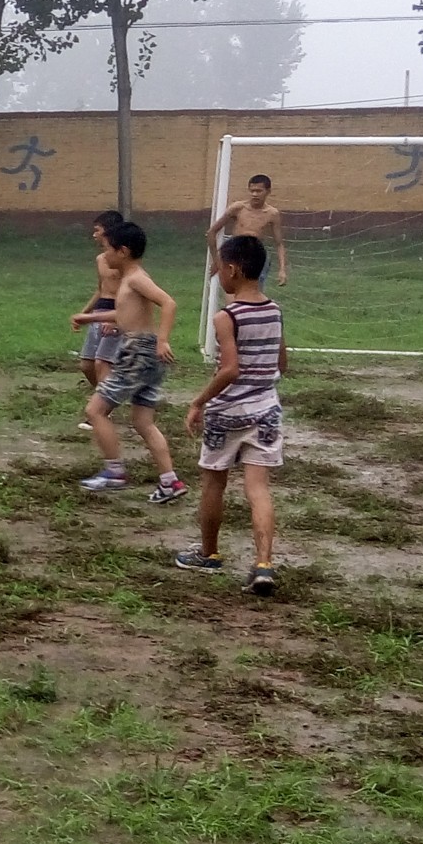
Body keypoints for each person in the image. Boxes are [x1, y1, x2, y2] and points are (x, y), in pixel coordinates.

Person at [178, 234, 287, 595]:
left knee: (214, 483)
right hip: (266, 411)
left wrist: (199, 401)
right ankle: (264, 565)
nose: (219, 273)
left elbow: (229, 370)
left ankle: (209, 554)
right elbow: (282, 363)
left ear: (233, 269)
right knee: (258, 489)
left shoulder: (227, 317)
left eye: (221, 267)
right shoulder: (274, 310)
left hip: (227, 413)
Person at [70, 221, 187, 503]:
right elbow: (124, 315)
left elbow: (168, 303)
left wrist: (162, 340)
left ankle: (114, 472)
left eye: (107, 249)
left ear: (122, 251)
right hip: (146, 354)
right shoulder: (130, 279)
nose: (104, 255)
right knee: (143, 422)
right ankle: (170, 482)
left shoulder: (135, 278)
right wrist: (90, 318)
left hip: (138, 351)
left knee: (95, 410)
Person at [75, 210, 127, 427]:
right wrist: (85, 314)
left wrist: (115, 320)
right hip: (99, 313)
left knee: (102, 363)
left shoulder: (123, 259)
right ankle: (106, 398)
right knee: (87, 365)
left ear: (109, 231)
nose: (94, 234)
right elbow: (100, 290)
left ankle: (102, 412)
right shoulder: (100, 259)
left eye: (97, 230)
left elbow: (129, 292)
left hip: (117, 314)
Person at [207, 175, 289, 285]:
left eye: (259, 191)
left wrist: (282, 270)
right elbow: (212, 232)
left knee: (254, 289)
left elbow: (279, 244)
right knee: (233, 288)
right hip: (236, 253)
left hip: (256, 254)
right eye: (252, 191)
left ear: (268, 191)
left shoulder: (272, 213)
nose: (255, 194)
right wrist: (216, 260)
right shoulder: (238, 208)